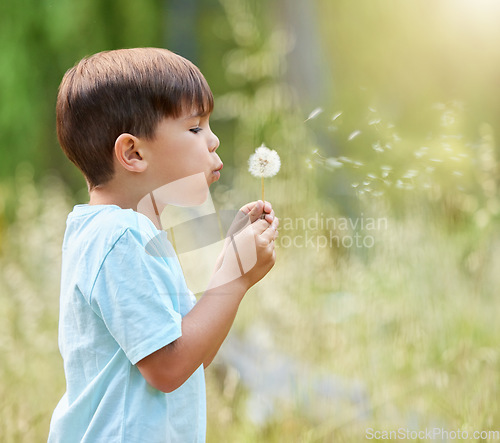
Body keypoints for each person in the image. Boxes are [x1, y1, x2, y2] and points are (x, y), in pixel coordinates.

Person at [48, 47, 279, 442]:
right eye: (195, 128)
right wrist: (234, 280)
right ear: (133, 153)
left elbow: (193, 356)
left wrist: (230, 261)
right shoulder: (121, 236)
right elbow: (168, 369)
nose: (213, 140)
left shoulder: (123, 234)